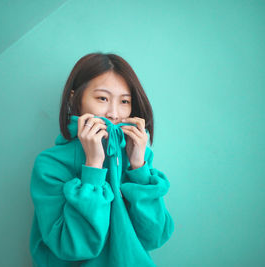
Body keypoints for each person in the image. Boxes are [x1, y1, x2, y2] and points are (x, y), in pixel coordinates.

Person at [29, 52, 174, 267]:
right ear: (74, 99)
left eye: (125, 101)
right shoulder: (50, 164)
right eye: (102, 98)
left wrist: (139, 168)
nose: (114, 114)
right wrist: (93, 167)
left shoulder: (139, 156)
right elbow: (71, 247)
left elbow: (154, 237)